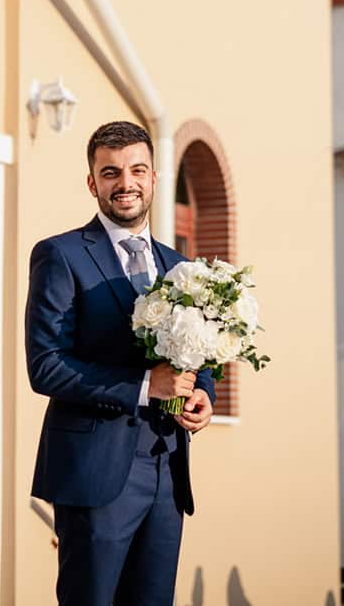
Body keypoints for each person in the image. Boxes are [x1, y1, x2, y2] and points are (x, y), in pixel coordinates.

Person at [25, 120, 215, 606]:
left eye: (136, 170)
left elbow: (198, 355)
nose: (124, 183)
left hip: (168, 471)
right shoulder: (60, 255)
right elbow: (45, 365)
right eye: (110, 173)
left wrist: (203, 396)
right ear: (93, 183)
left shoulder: (181, 266)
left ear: (154, 178)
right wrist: (143, 385)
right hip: (96, 473)